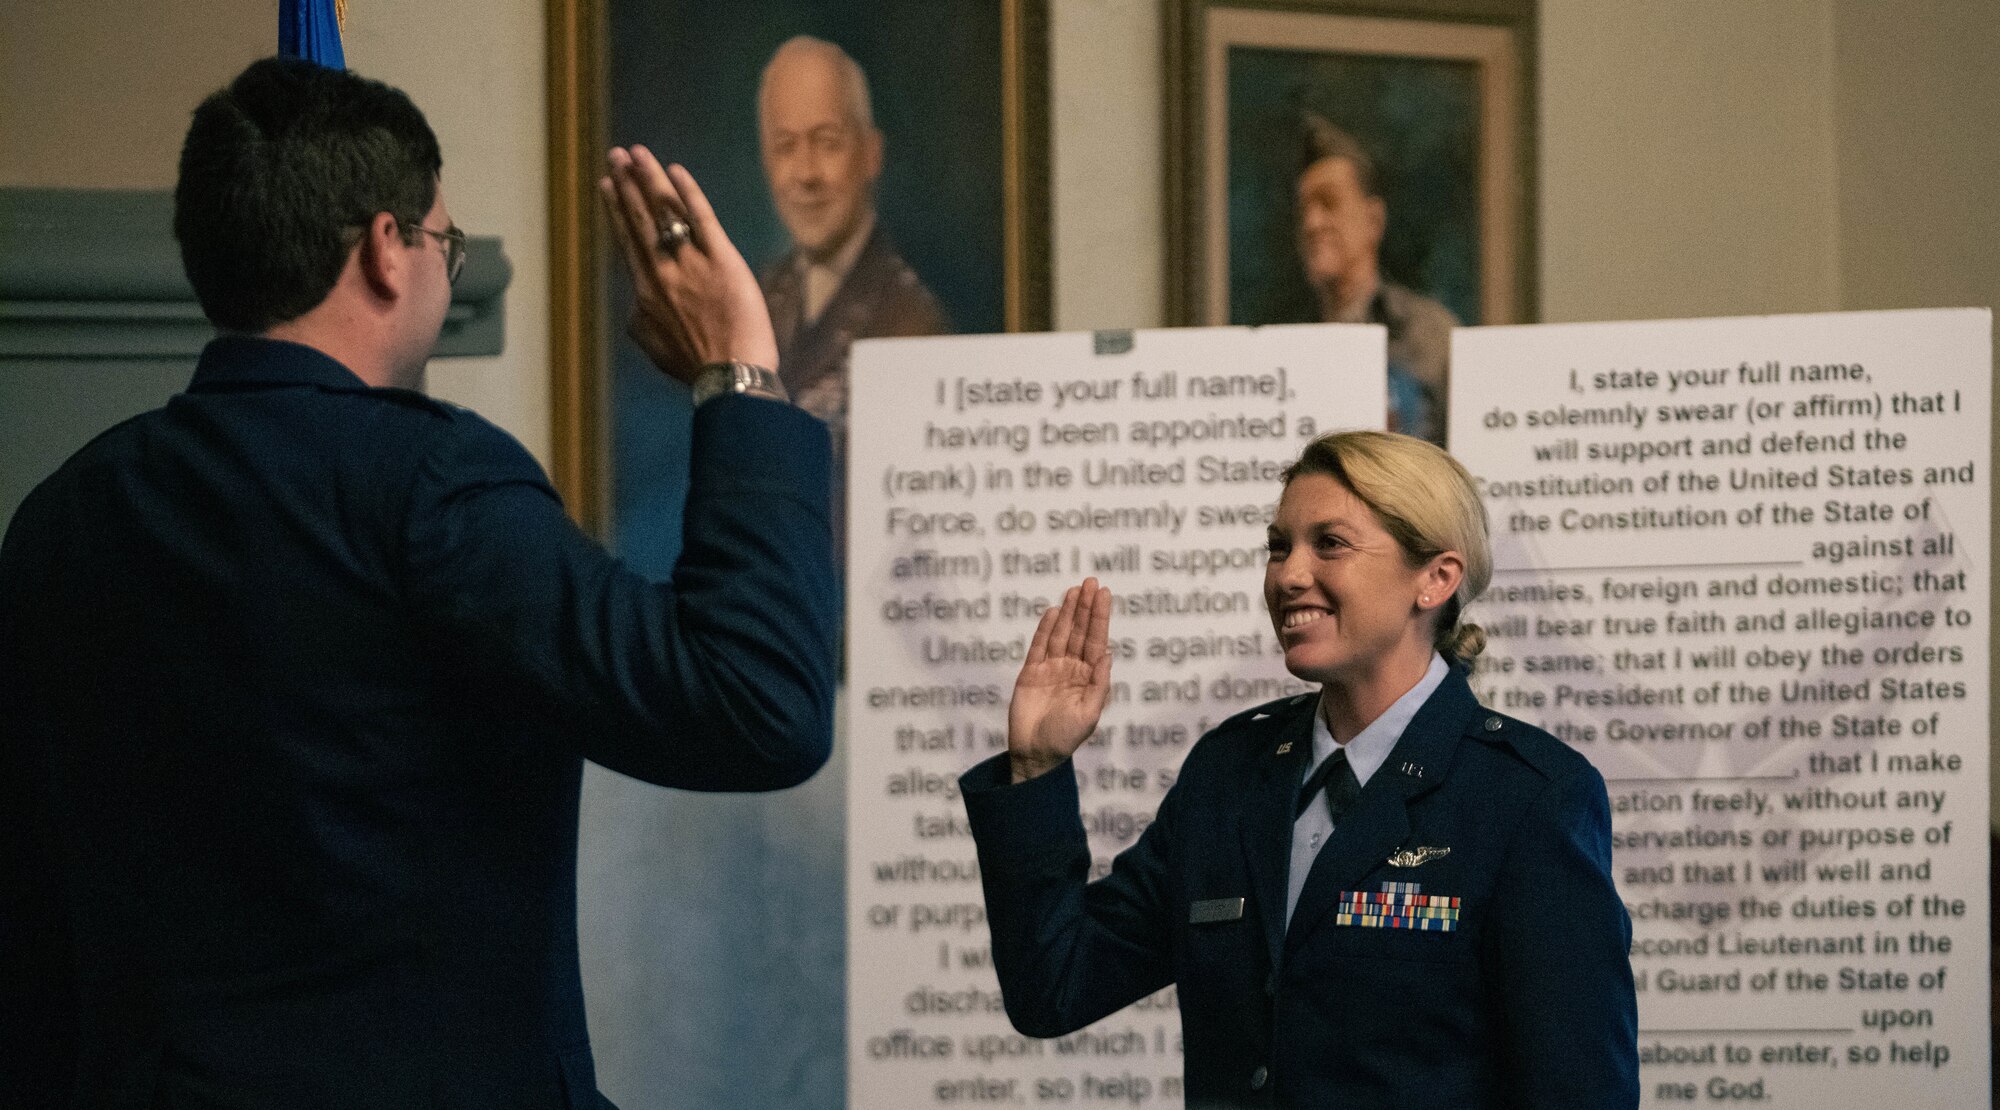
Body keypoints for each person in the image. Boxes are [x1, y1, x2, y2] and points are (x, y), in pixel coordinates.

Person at [0, 57, 836, 1108]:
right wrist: (740, 371)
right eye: (444, 239)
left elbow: (28, 939)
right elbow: (758, 705)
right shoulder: (432, 485)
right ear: (386, 251)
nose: (444, 262)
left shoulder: (60, 518)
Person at [962, 431, 1638, 1107]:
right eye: (1279, 546)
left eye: (1330, 544)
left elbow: (1578, 1092)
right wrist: (1037, 768)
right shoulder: (1231, 773)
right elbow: (1055, 987)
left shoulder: (1527, 796)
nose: (1288, 575)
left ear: (1435, 578)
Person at [756, 34, 951, 552]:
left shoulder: (910, 322)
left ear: (870, 154)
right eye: (785, 146)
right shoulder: (758, 299)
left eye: (827, 142)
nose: (806, 174)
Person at [1295, 116, 1459, 445]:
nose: (1312, 223)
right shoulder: (1291, 342)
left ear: (1373, 220)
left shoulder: (1430, 333)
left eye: (1328, 204)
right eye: (1303, 210)